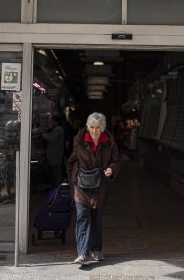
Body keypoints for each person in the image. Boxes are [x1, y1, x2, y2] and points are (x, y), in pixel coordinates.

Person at [66, 112, 120, 265]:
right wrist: (73, 181)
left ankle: (96, 250)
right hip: (81, 187)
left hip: (99, 186)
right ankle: (82, 253)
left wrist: (112, 170)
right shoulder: (79, 141)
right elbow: (70, 163)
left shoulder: (109, 143)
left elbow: (116, 161)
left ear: (102, 128)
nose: (94, 131)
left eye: (97, 128)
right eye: (91, 127)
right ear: (87, 127)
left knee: (96, 219)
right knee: (82, 217)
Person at [41, 114, 65, 188]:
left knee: (56, 171)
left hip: (55, 154)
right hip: (55, 154)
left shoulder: (58, 129)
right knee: (56, 171)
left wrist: (43, 135)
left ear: (56, 121)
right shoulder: (58, 129)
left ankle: (58, 186)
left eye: (52, 121)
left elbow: (52, 139)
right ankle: (57, 186)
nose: (51, 122)